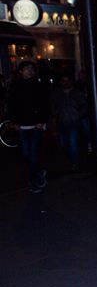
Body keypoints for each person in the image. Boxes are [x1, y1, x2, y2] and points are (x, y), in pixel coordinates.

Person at [9, 60, 49, 192]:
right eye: (26, 68)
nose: (29, 71)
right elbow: (12, 105)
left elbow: (45, 104)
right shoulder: (15, 86)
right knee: (26, 153)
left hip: (36, 125)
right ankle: (38, 173)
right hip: (21, 125)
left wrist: (42, 120)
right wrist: (14, 122)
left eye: (31, 68)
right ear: (21, 71)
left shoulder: (40, 85)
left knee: (32, 151)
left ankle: (35, 181)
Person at [49, 74, 88, 171]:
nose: (66, 83)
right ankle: (71, 160)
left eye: (67, 80)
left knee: (73, 142)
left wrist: (78, 116)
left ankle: (75, 162)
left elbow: (84, 106)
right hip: (62, 121)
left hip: (74, 121)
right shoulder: (57, 94)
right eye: (63, 80)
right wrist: (55, 116)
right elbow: (52, 106)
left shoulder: (77, 93)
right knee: (64, 142)